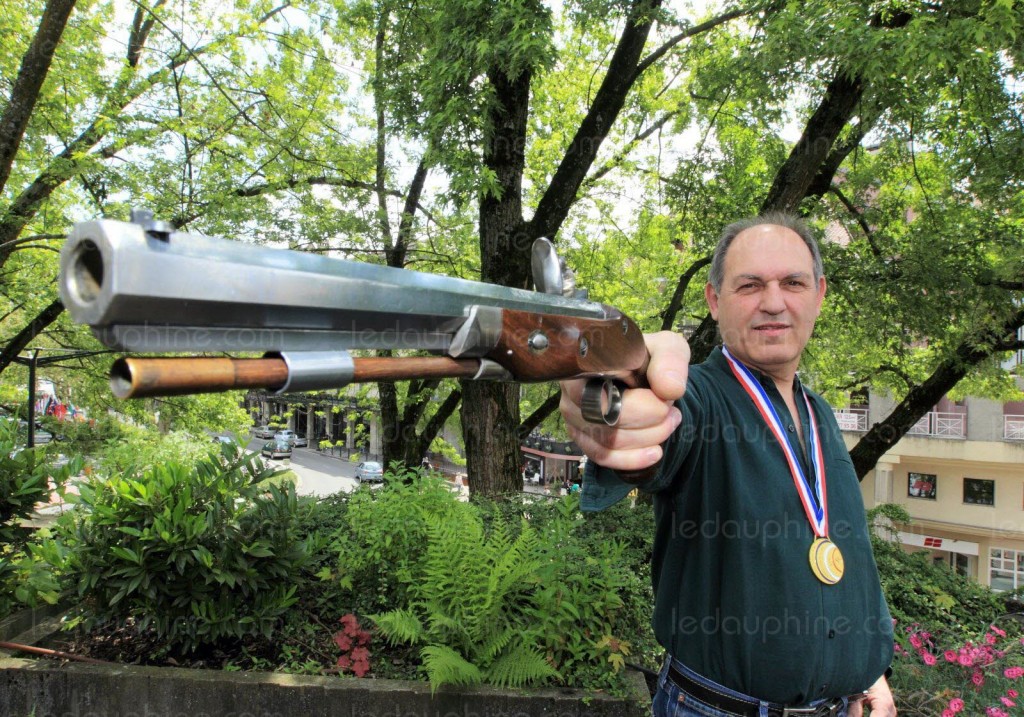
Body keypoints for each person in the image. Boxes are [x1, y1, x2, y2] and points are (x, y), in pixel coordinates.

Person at [560, 213, 896, 717]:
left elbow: (850, 557)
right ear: (715, 301)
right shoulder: (700, 397)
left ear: (819, 294)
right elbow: (660, 422)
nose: (774, 302)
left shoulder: (822, 414)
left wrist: (871, 672)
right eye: (750, 285)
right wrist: (622, 394)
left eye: (793, 283)